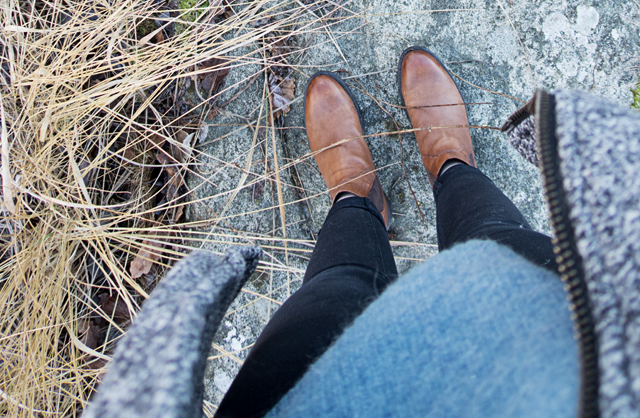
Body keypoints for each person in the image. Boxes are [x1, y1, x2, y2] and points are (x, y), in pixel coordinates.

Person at [84, 45, 640, 418]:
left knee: (336, 295)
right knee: (500, 249)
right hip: (554, 363)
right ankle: (450, 167)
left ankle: (359, 197)